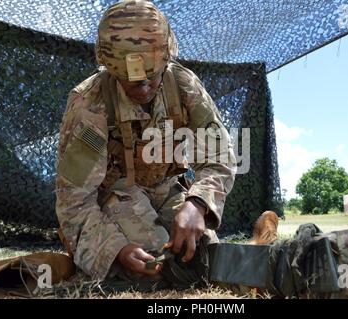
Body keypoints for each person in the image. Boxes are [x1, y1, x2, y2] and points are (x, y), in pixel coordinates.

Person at [55, 0, 236, 282]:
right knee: (156, 263)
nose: (144, 87)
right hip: (117, 194)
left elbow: (219, 156)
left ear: (166, 60)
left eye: (152, 77)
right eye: (131, 81)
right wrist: (116, 249)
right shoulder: (90, 104)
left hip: (168, 189)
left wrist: (197, 203)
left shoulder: (183, 85)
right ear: (111, 69)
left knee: (203, 256)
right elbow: (74, 200)